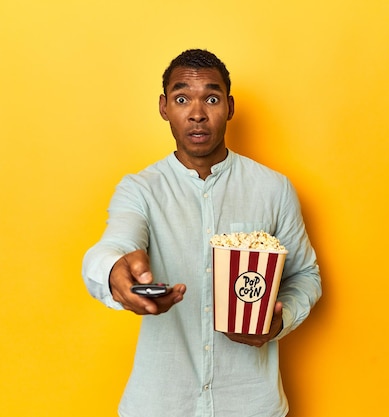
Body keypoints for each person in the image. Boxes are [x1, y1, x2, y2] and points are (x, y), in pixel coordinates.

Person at [82, 48, 322, 417]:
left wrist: (281, 318)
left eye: (211, 98)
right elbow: (113, 244)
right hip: (159, 404)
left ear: (229, 106)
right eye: (182, 99)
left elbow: (305, 275)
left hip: (251, 404)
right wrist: (115, 270)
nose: (197, 113)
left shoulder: (273, 189)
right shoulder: (140, 190)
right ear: (164, 107)